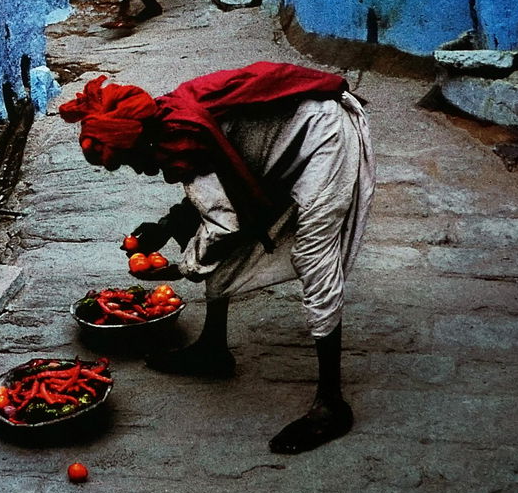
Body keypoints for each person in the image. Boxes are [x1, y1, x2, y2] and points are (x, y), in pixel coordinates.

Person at [58, 61, 376, 454]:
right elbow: (216, 187)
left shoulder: (181, 135)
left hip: (325, 136)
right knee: (207, 233)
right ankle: (212, 349)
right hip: (283, 138)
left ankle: (330, 403)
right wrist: (165, 226)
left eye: (126, 161)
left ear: (138, 140)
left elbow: (223, 224)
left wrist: (182, 267)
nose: (137, 171)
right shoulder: (164, 118)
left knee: (315, 256)